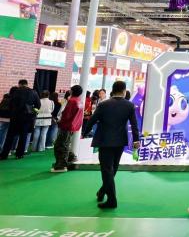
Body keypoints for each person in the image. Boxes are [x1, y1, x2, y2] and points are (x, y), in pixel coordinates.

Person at [83, 81, 140, 209]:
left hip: (104, 141)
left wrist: (84, 133)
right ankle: (102, 192)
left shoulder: (103, 104)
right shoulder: (129, 105)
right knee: (112, 169)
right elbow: (134, 125)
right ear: (124, 91)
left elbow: (92, 120)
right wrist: (136, 141)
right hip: (120, 141)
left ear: (112, 90)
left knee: (107, 170)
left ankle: (112, 200)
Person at [0, 80, 40, 160]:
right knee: (23, 136)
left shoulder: (15, 91)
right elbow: (38, 105)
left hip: (15, 117)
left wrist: (12, 112)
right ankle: (19, 154)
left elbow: (10, 104)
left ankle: (4, 154)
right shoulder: (34, 92)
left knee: (10, 136)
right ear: (27, 84)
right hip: (27, 118)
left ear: (19, 84)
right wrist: (32, 112)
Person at [51, 85, 84, 172]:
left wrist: (59, 122)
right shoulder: (79, 101)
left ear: (72, 91)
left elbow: (66, 115)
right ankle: (71, 158)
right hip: (72, 126)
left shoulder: (72, 101)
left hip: (66, 125)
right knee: (65, 144)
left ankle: (61, 165)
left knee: (60, 145)